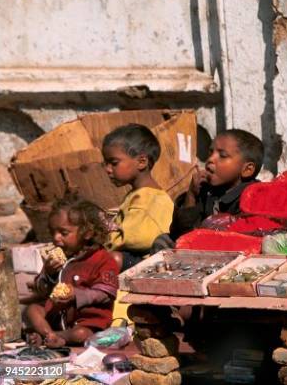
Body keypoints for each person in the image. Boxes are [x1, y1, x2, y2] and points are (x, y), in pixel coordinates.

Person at [26, 194, 118, 347]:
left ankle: (52, 337)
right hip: (57, 316)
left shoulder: (103, 259)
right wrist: (48, 273)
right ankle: (49, 335)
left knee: (80, 334)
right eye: (52, 232)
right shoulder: (58, 258)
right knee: (32, 310)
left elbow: (107, 293)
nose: (56, 238)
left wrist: (76, 294)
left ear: (87, 233)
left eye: (64, 233)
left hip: (87, 322)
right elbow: (40, 288)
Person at [102, 124, 174, 271]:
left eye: (114, 163)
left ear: (142, 162)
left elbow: (139, 238)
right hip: (134, 258)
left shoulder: (151, 198)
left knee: (111, 259)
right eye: (106, 163)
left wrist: (107, 235)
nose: (107, 170)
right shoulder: (136, 194)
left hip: (149, 265)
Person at [170, 129, 264, 240]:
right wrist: (191, 195)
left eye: (222, 155)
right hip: (198, 249)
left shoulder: (254, 198)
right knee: (163, 240)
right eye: (210, 152)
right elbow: (180, 234)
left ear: (247, 170)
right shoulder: (206, 190)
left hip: (234, 251)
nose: (210, 159)